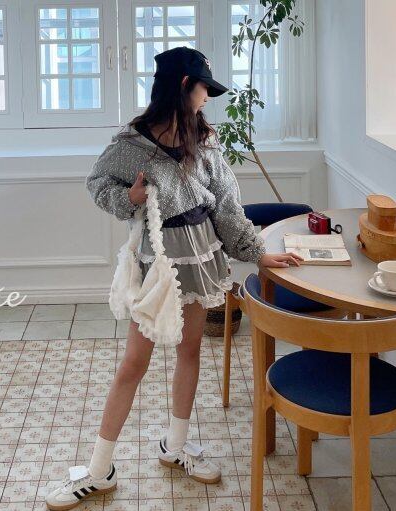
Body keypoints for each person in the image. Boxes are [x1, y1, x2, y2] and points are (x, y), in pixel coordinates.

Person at [45, 46, 303, 511]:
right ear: (185, 85)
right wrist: (129, 197)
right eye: (205, 89)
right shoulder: (132, 143)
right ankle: (99, 470)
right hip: (158, 260)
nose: (207, 99)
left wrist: (258, 253)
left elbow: (227, 205)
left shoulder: (205, 140)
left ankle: (176, 446)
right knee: (134, 362)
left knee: (190, 350)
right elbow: (97, 183)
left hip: (201, 253)